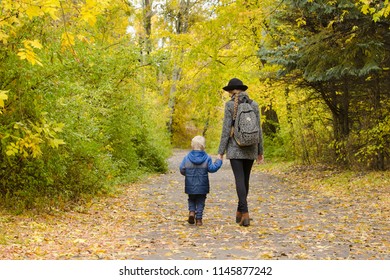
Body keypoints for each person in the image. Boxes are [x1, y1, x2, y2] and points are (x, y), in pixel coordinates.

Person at [217, 78, 264, 227]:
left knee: (239, 180)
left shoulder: (230, 105)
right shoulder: (254, 104)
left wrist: (221, 151)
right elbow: (259, 130)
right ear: (243, 90)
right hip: (251, 147)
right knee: (245, 180)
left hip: (235, 148)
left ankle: (245, 212)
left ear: (231, 91)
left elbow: (226, 130)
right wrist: (260, 151)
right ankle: (240, 211)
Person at [180, 135, 223, 226]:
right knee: (201, 200)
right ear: (203, 146)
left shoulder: (187, 157)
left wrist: (188, 174)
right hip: (202, 185)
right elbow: (212, 168)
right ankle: (199, 219)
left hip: (190, 184)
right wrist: (219, 161)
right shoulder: (207, 157)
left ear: (192, 145)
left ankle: (192, 212)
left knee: (191, 198)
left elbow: (182, 169)